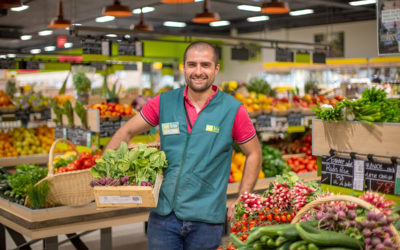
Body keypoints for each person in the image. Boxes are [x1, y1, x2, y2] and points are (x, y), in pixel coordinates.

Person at [105, 41, 262, 250]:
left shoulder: (233, 109)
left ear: (216, 69)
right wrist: (104, 170)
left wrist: (243, 198)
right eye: (192, 65)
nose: (198, 71)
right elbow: (126, 132)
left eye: (205, 65)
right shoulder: (164, 102)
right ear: (184, 67)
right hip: (163, 217)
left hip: (207, 218)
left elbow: (254, 153)